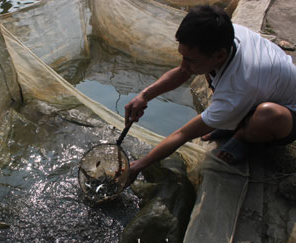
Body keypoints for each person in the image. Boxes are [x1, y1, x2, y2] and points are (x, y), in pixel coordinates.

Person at [125, 5, 296, 183]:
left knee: (266, 116)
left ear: (220, 56)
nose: (184, 65)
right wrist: (144, 96)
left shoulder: (236, 89)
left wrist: (139, 165)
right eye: (182, 56)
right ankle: (231, 122)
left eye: (190, 59)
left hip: (288, 116)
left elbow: (182, 135)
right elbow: (184, 72)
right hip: (259, 92)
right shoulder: (225, 33)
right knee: (202, 72)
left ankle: (242, 137)